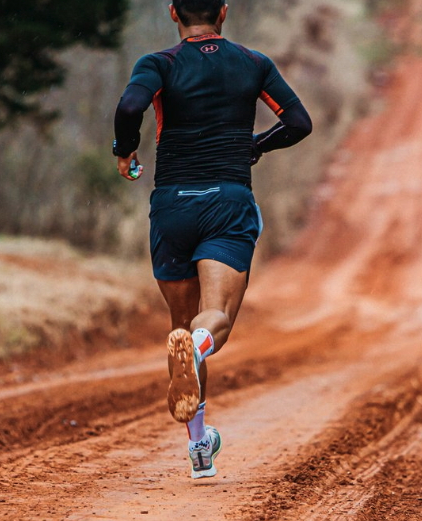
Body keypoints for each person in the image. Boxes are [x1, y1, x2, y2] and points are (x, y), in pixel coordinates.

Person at [112, 0, 312, 479]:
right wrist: (256, 146)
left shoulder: (158, 64)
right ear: (223, 13)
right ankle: (198, 349)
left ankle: (200, 444)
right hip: (226, 200)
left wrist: (125, 151)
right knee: (212, 319)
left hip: (172, 205)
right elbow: (299, 123)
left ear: (172, 13)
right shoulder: (253, 62)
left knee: (180, 323)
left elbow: (129, 106)